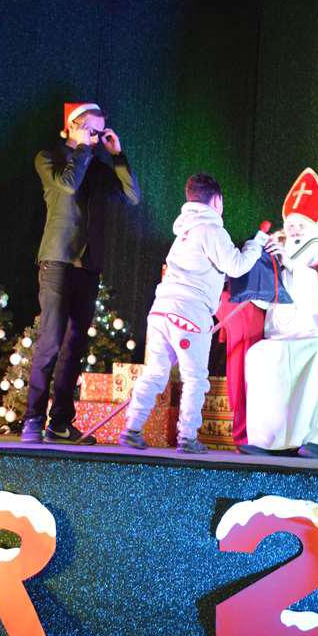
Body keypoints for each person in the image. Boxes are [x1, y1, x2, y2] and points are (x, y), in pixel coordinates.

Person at [117, 174, 272, 453]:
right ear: (217, 201)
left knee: (155, 372)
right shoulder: (211, 229)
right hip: (188, 314)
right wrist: (256, 243)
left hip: (161, 311)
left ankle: (132, 429)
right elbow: (236, 265)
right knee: (195, 378)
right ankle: (187, 437)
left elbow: (212, 270)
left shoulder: (184, 233)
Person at [223, 168, 318, 458]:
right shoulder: (279, 250)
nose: (293, 230)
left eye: (301, 224)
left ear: (314, 226)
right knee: (259, 354)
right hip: (282, 336)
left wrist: (293, 266)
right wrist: (260, 270)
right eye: (290, 224)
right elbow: (268, 301)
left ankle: (317, 439)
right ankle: (266, 440)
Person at [21, 102, 141, 444]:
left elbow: (132, 196)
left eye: (100, 133)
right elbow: (69, 184)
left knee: (74, 347)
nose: (96, 138)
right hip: (58, 260)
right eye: (91, 131)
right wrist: (84, 149)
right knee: (50, 341)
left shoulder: (99, 167)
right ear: (72, 127)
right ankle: (32, 419)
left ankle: (59, 423)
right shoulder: (49, 159)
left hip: (88, 266)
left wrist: (117, 156)